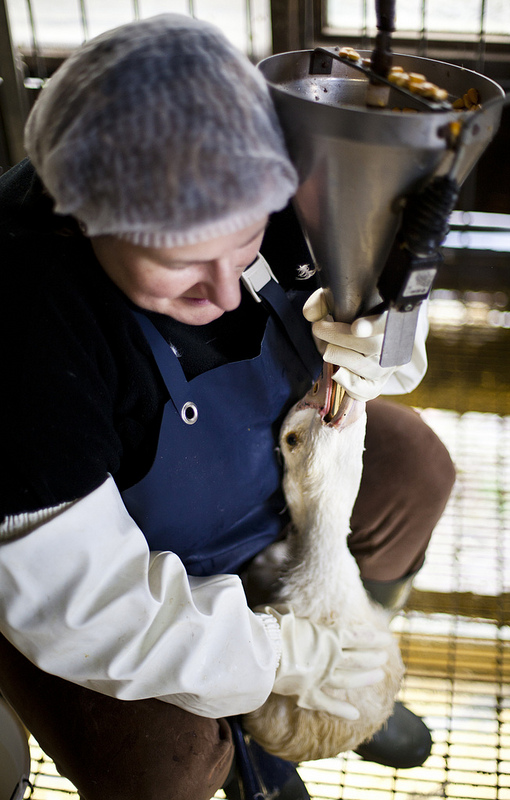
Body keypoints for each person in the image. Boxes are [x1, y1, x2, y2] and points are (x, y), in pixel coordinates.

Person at [0, 14, 455, 800]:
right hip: (103, 558)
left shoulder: (257, 165)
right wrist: (283, 658)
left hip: (261, 463)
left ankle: (353, 675)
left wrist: (377, 333)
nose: (224, 291)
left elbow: (372, 289)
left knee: (417, 470)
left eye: (242, 246)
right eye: (181, 266)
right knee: (163, 768)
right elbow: (83, 604)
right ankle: (257, 745)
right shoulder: (25, 323)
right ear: (85, 217)